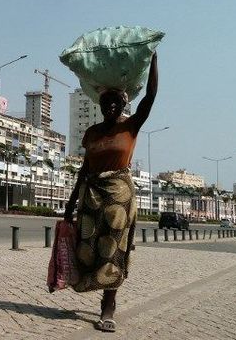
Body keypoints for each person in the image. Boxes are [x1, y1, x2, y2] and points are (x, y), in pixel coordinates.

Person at [64, 52, 158, 332]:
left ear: (123, 103)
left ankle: (109, 306)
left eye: (116, 101)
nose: (111, 106)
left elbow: (150, 97)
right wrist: (70, 202)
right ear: (100, 104)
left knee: (113, 250)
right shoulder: (92, 132)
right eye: (106, 102)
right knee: (88, 248)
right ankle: (93, 287)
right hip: (91, 196)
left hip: (119, 196)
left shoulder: (131, 125)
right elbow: (85, 167)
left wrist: (153, 59)